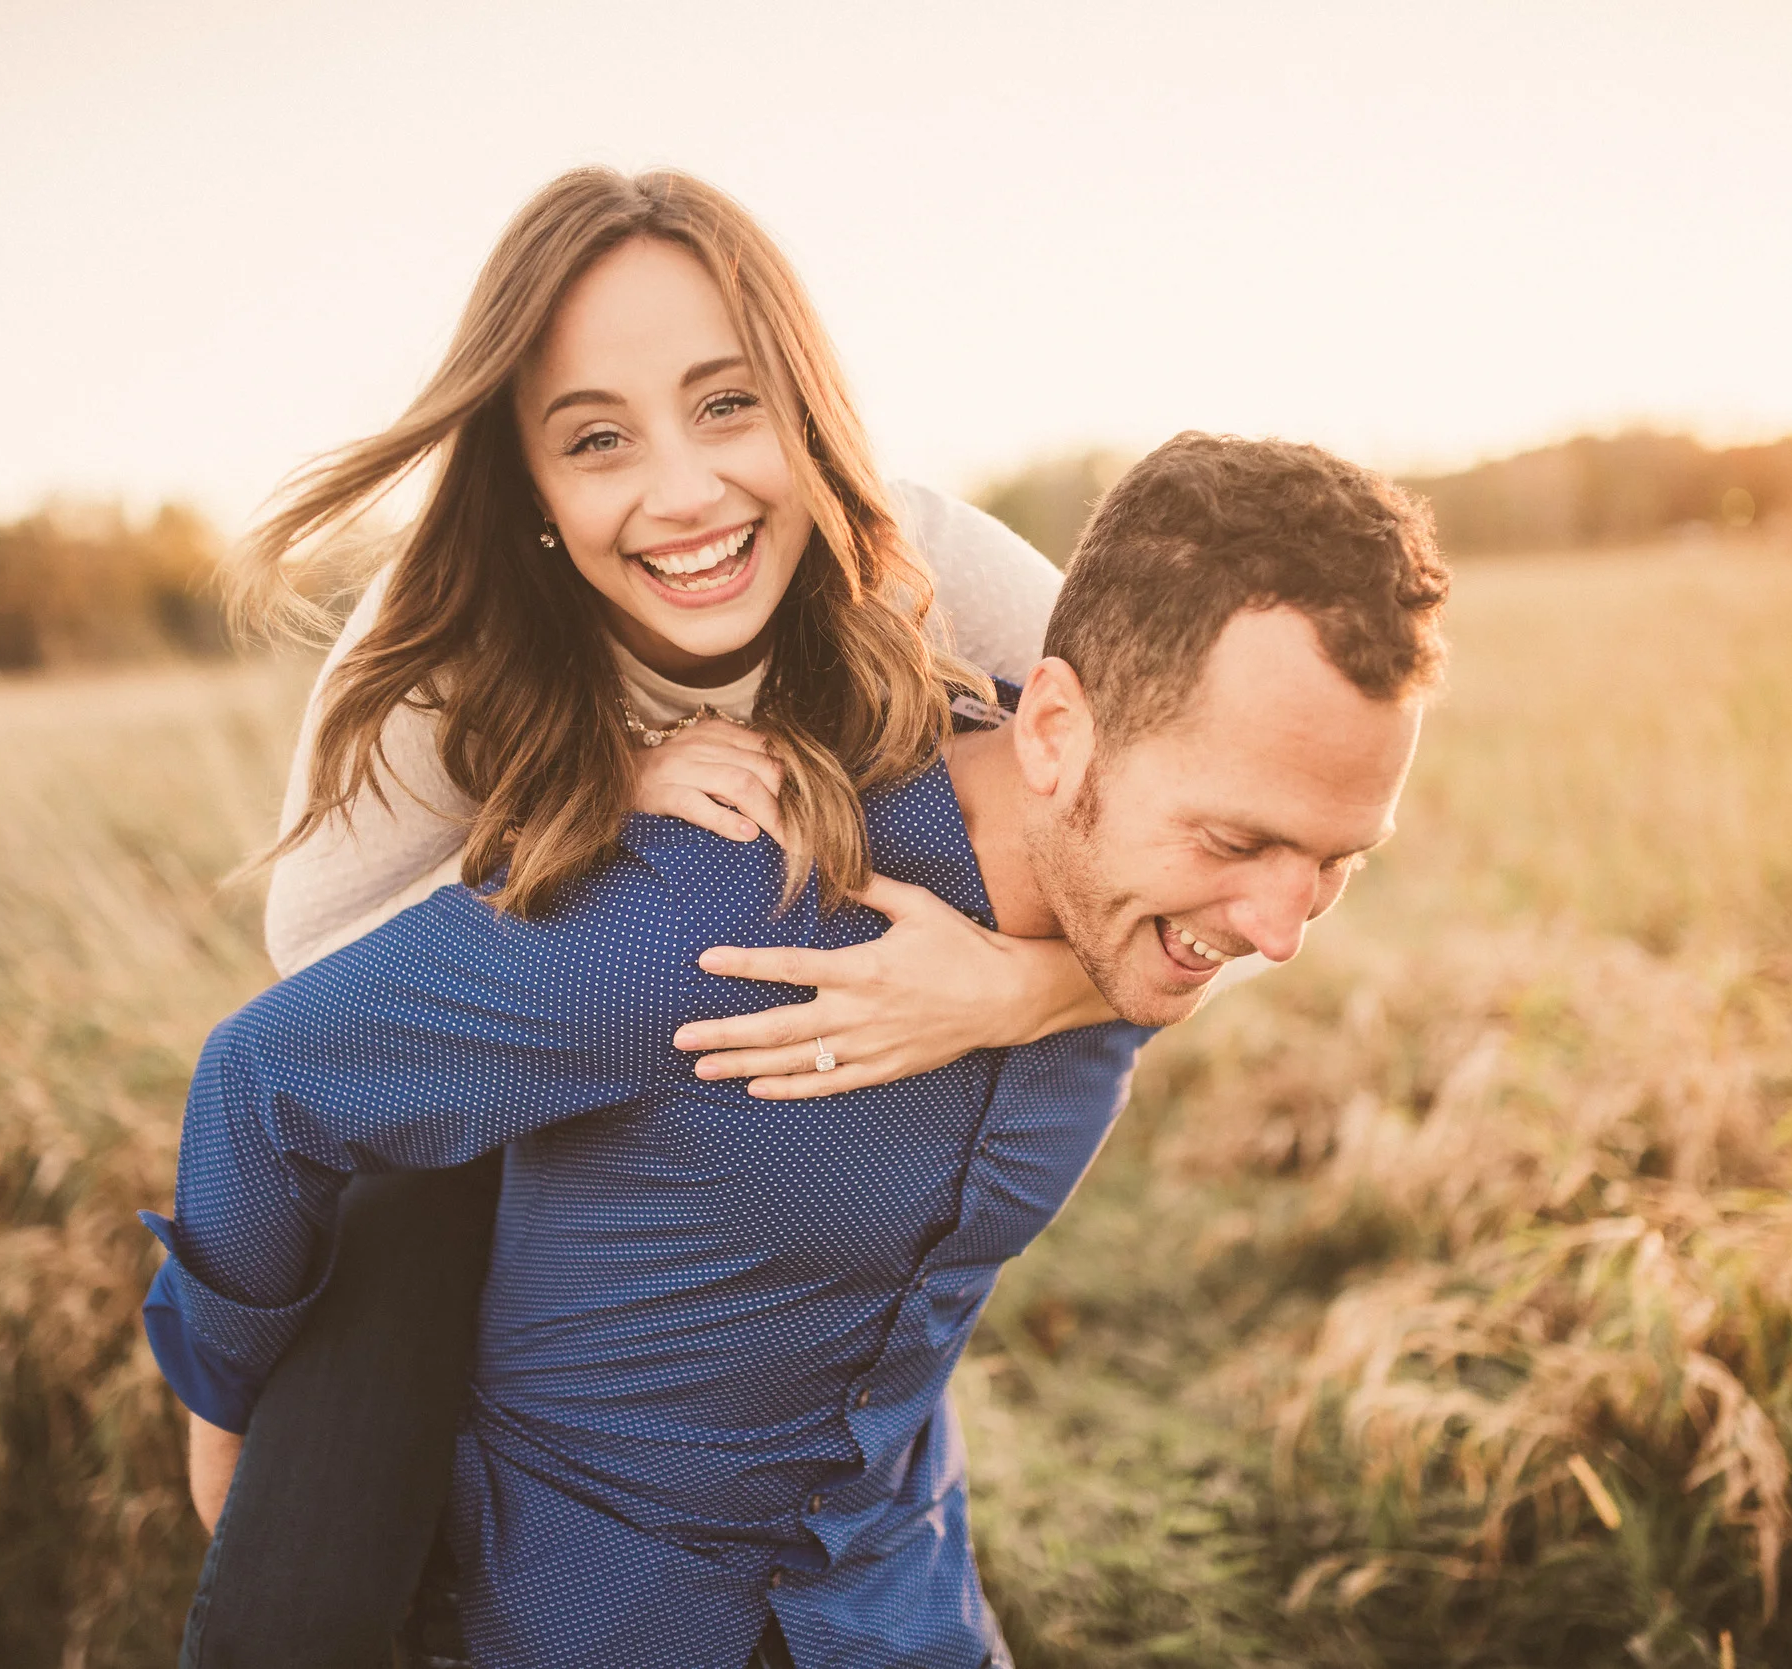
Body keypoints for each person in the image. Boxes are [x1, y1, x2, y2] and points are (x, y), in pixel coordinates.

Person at [143, 427, 1449, 1667]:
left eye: (1337, 863)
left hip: (900, 1611)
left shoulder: (1143, 926)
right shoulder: (715, 902)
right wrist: (239, 1445)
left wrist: (1026, 989)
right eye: (1235, 843)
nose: (1281, 933)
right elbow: (268, 1081)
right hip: (582, 1616)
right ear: (1055, 735)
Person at [176, 164, 1188, 1668]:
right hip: (461, 1156)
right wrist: (583, 815)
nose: (686, 492)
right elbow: (324, 1003)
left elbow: (1207, 861)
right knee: (298, 1602)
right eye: (599, 439)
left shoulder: (936, 571)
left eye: (727, 406)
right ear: (529, 482)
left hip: (784, 1164)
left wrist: (1012, 992)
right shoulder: (434, 658)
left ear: (809, 406)